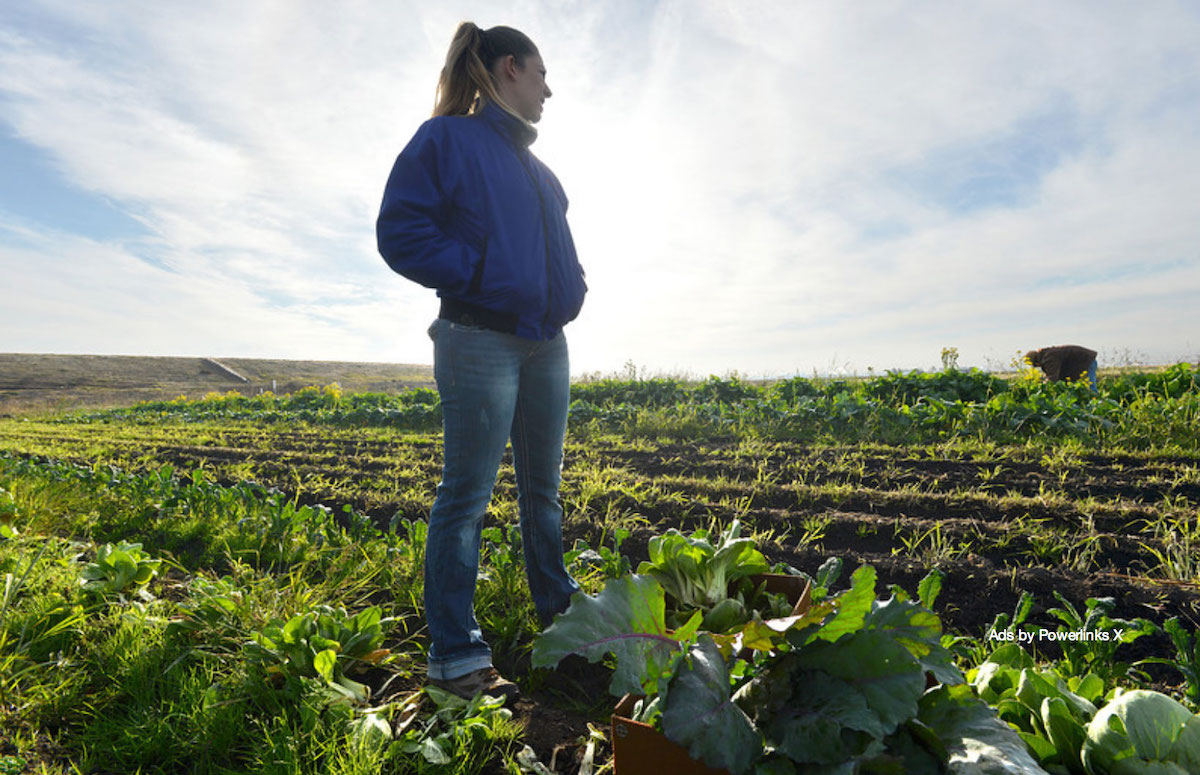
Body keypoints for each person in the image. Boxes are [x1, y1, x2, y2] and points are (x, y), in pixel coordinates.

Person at [376, 22, 586, 701]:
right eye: (542, 73)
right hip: (478, 339)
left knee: (543, 496)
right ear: (507, 68)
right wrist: (475, 270)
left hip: (545, 342)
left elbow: (559, 254)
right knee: (466, 498)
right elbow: (400, 229)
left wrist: (573, 287)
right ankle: (457, 659)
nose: (550, 89)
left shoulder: (541, 170)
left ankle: (565, 622)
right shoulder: (446, 139)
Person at [1024, 345, 1098, 391]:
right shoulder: (1046, 355)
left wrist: (1043, 387)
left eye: (1035, 365)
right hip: (1081, 363)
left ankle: (1097, 405)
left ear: (1036, 361)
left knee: (1090, 387)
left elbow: (1052, 377)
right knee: (1079, 388)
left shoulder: (1049, 358)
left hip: (1087, 361)